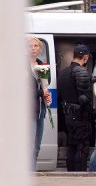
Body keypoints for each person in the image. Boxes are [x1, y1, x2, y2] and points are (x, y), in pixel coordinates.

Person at [57, 43, 93, 171]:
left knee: (71, 146)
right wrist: (91, 114)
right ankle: (79, 176)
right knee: (82, 147)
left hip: (68, 115)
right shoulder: (81, 72)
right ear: (86, 57)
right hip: (80, 116)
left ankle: (70, 175)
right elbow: (85, 98)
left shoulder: (63, 73)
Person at [30, 37, 51, 167]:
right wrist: (40, 93)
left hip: (40, 109)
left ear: (40, 48)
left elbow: (45, 86)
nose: (33, 49)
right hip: (27, 110)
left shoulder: (42, 65)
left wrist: (47, 96)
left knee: (37, 146)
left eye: (35, 46)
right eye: (29, 46)